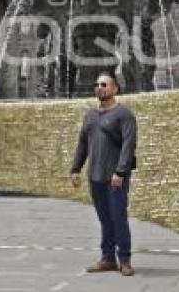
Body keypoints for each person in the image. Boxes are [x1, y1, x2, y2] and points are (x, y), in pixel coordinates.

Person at [70, 73, 137, 277]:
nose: (99, 87)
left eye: (104, 84)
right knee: (104, 218)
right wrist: (75, 169)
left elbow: (129, 145)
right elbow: (83, 144)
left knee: (118, 217)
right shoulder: (90, 115)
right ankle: (107, 259)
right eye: (97, 84)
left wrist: (121, 172)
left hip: (115, 177)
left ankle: (124, 260)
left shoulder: (124, 115)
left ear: (115, 89)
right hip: (95, 176)